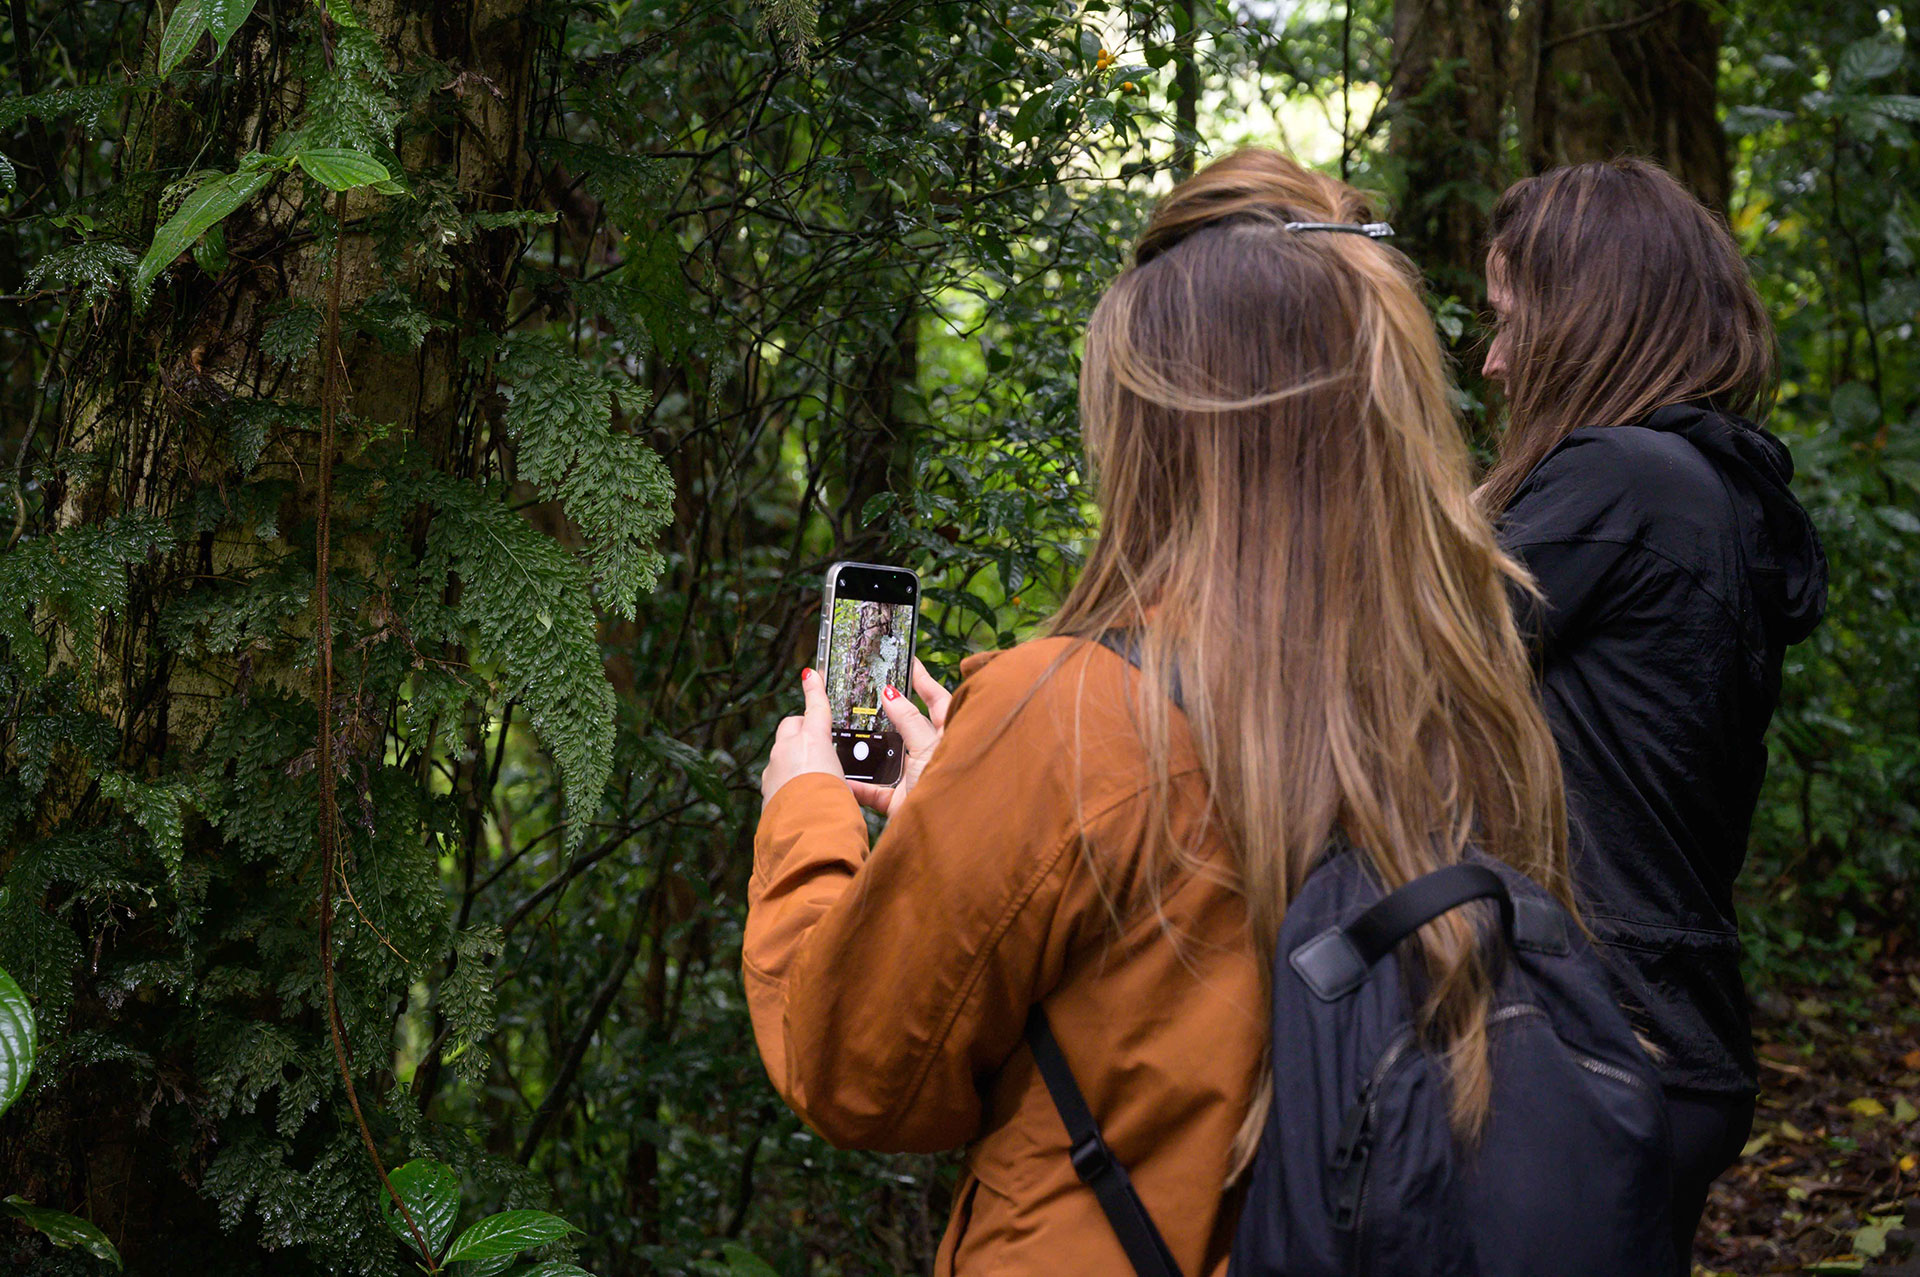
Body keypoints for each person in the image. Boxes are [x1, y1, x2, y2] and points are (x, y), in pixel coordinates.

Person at [745, 148, 1569, 1275]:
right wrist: (969, 799)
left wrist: (805, 810)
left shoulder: (1068, 717)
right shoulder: (1470, 695)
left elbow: (856, 1069)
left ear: (1154, 429)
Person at [1479, 158, 1830, 1271]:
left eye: (1509, 321)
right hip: (1654, 1041)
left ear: (1587, 318)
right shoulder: (1700, 486)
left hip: (1597, 1047)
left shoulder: (1624, 479)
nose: (1492, 362)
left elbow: (1379, 673)